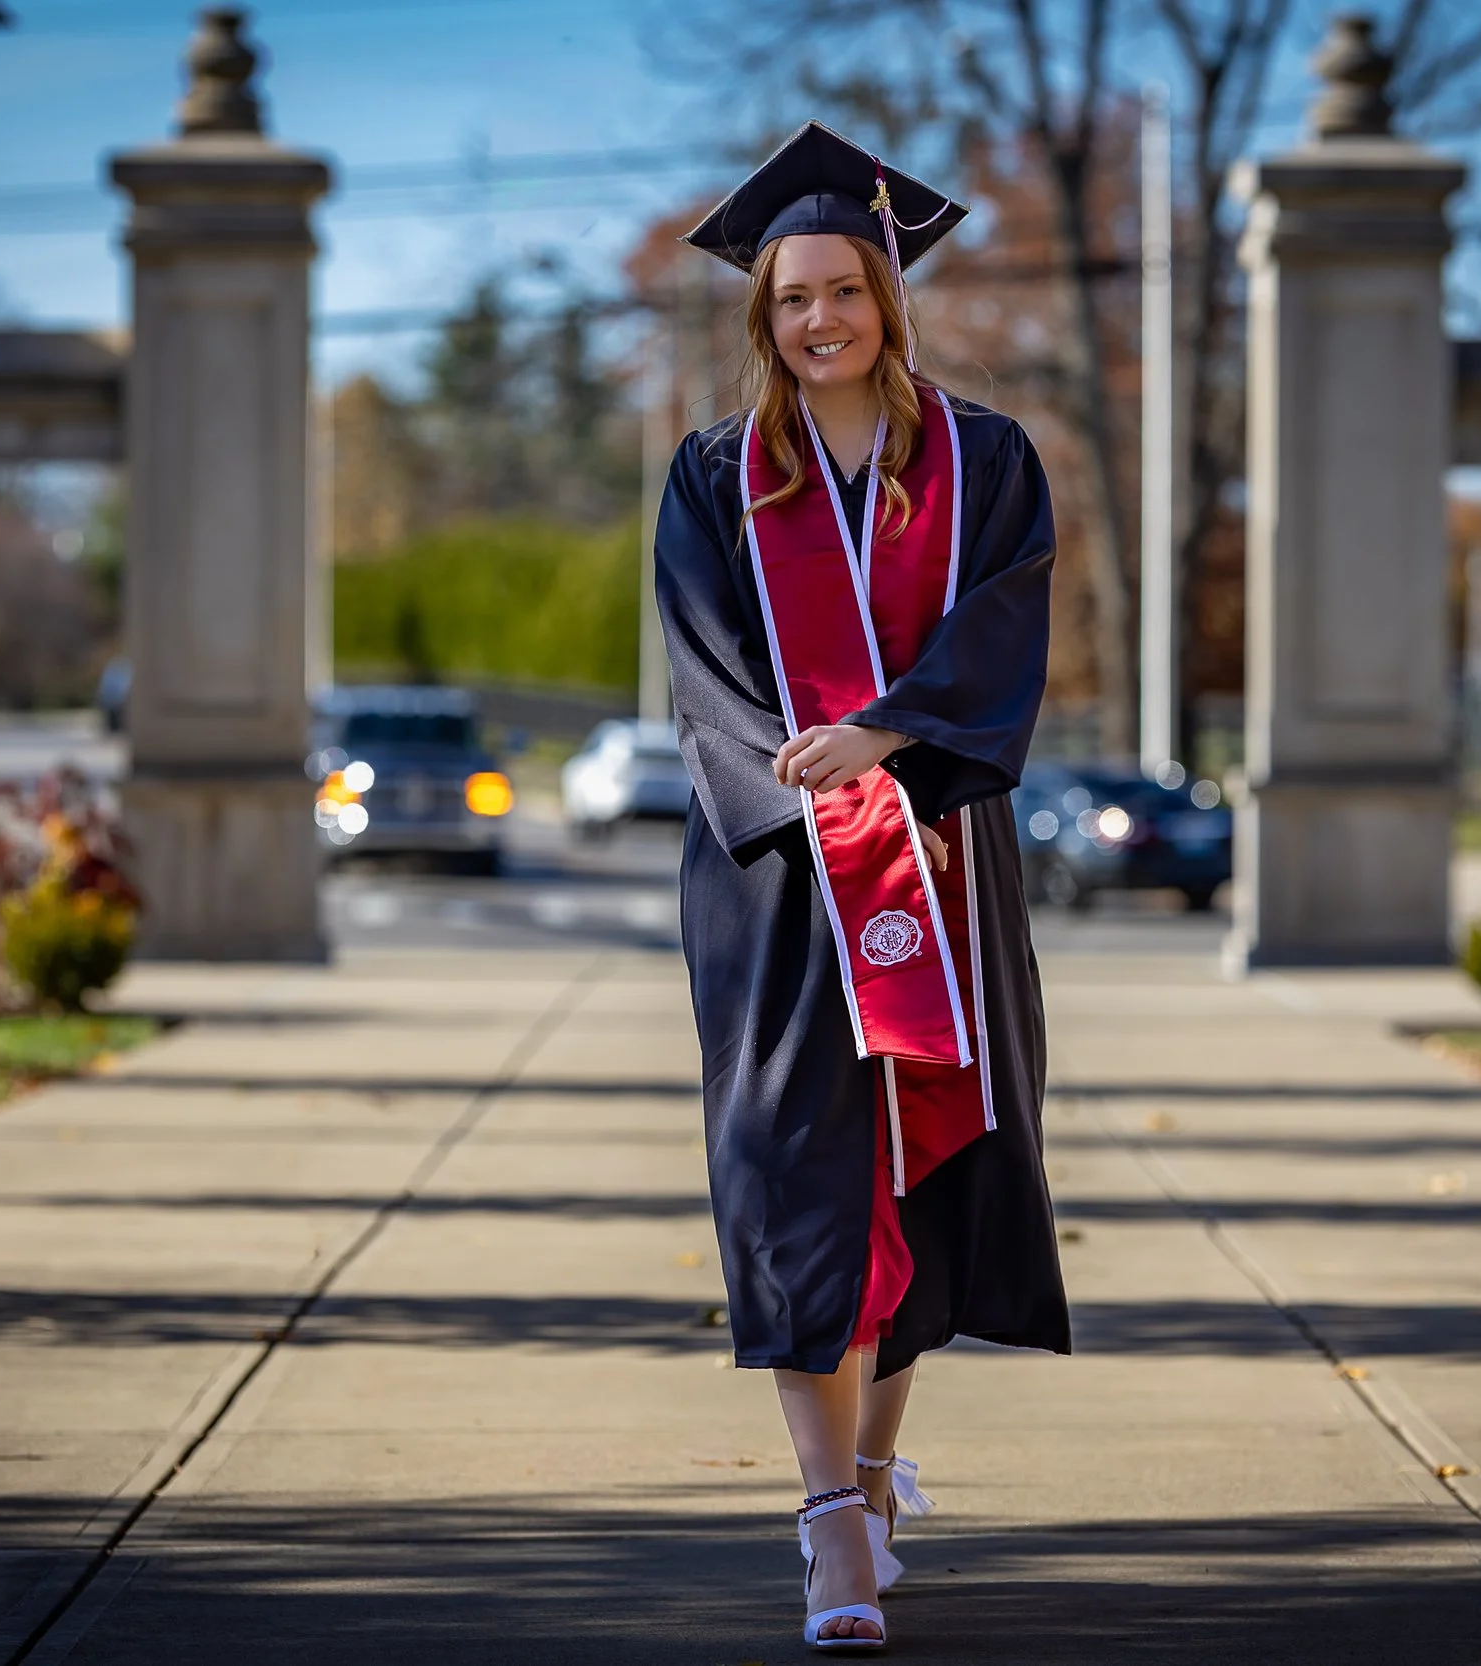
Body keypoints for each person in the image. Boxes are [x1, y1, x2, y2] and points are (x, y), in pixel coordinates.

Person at [656, 121, 1071, 1652]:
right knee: (797, 1185)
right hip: (774, 887)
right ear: (760, 316)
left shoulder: (986, 463)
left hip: (943, 870)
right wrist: (800, 778)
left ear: (890, 296)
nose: (816, 319)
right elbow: (708, 683)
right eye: (787, 297)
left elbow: (1004, 631)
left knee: (924, 1180)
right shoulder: (714, 478)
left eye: (842, 288)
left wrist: (890, 734)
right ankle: (828, 1523)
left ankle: (877, 1475)